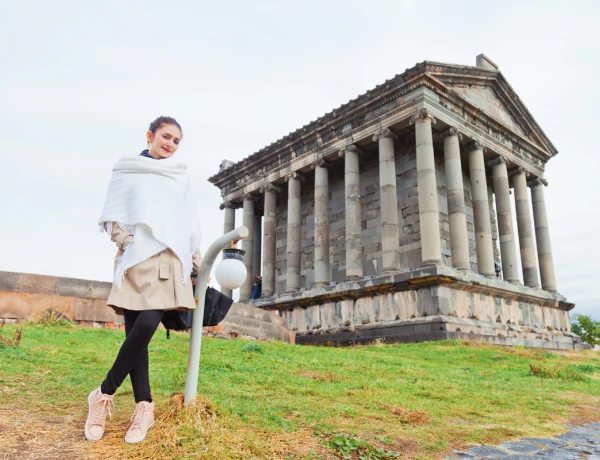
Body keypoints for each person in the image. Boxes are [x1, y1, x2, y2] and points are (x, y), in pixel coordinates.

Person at [87, 116, 202, 444]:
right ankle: (144, 406)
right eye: (166, 137)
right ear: (150, 135)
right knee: (136, 333)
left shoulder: (179, 177)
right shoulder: (128, 170)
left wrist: (198, 265)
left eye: (177, 141)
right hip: (135, 261)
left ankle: (104, 393)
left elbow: (189, 223)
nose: (171, 144)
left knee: (148, 324)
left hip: (169, 263)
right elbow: (112, 215)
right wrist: (129, 243)